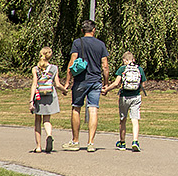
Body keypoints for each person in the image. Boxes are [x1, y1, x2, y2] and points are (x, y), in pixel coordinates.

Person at [62, 20, 109, 152]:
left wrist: (67, 81)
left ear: (82, 31)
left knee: (76, 108)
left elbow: (72, 62)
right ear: (94, 30)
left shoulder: (77, 43)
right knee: (93, 109)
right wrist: (106, 83)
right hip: (95, 80)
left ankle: (75, 141)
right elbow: (105, 66)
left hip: (80, 81)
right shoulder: (101, 45)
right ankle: (91, 143)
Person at [103, 51, 145, 152]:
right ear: (133, 59)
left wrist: (106, 90)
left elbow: (116, 83)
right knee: (135, 120)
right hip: (136, 97)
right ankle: (135, 141)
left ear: (125, 60)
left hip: (124, 97)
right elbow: (142, 85)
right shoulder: (139, 69)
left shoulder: (122, 69)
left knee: (123, 119)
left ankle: (122, 142)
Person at [29, 47, 62, 153]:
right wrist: (64, 90)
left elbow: (34, 84)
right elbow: (57, 84)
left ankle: (38, 146)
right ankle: (49, 135)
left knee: (37, 120)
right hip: (49, 96)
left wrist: (31, 101)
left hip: (38, 97)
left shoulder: (35, 69)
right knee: (47, 120)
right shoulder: (54, 68)